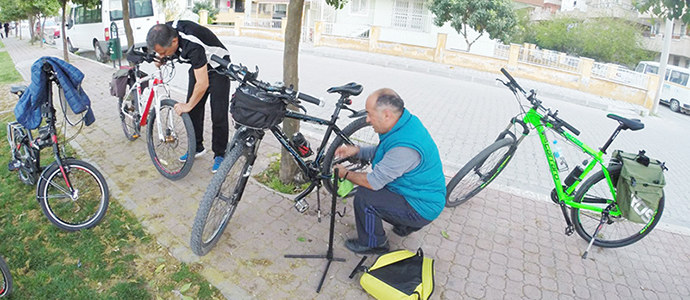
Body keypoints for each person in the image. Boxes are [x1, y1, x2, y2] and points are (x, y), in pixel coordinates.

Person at [334, 88, 446, 254]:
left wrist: (345, 174)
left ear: (387, 115)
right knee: (379, 190)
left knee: (365, 196)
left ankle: (374, 244)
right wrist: (357, 151)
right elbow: (386, 152)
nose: (367, 119)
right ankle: (404, 225)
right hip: (424, 195)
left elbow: (373, 182)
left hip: (422, 206)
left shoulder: (404, 148)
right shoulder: (406, 124)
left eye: (370, 114)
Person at [146, 20, 231, 173]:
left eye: (164, 52)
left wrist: (188, 104)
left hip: (219, 68)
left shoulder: (193, 45)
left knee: (218, 114)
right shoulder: (165, 32)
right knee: (194, 111)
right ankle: (197, 147)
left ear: (174, 41)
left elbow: (202, 83)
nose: (162, 55)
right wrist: (163, 58)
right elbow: (167, 50)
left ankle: (220, 154)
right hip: (198, 65)